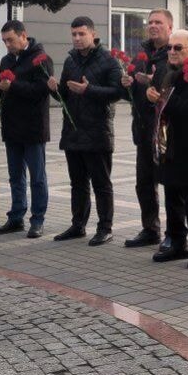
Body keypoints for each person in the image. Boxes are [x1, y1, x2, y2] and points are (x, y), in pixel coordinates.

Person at [48, 16, 124, 245]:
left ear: (93, 33)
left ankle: (105, 227)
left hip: (98, 131)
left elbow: (117, 92)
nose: (77, 39)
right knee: (78, 183)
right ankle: (78, 225)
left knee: (101, 183)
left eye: (82, 34)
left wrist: (89, 90)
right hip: (73, 131)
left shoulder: (109, 60)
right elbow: (65, 94)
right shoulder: (71, 60)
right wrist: (54, 90)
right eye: (74, 34)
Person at [147, 29, 188, 269]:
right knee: (171, 195)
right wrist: (150, 94)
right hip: (168, 143)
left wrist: (166, 101)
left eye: (177, 48)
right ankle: (177, 243)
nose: (171, 52)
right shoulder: (166, 72)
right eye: (170, 47)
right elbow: (157, 99)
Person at [0, 20, 53, 239]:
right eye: (4, 41)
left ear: (23, 36)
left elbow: (41, 91)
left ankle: (37, 220)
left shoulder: (40, 58)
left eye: (11, 40)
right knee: (15, 176)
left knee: (37, 177)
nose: (7, 45)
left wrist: (12, 86)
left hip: (33, 127)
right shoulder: (6, 60)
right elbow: (2, 91)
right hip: (12, 126)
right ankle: (16, 218)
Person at [122, 9, 173, 251]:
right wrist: (128, 85)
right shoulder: (141, 54)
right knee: (144, 183)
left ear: (169, 27)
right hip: (143, 130)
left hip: (167, 132)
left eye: (158, 22)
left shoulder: (175, 53)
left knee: (173, 185)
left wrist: (158, 95)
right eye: (150, 22)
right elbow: (130, 93)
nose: (153, 26)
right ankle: (151, 229)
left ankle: (175, 234)